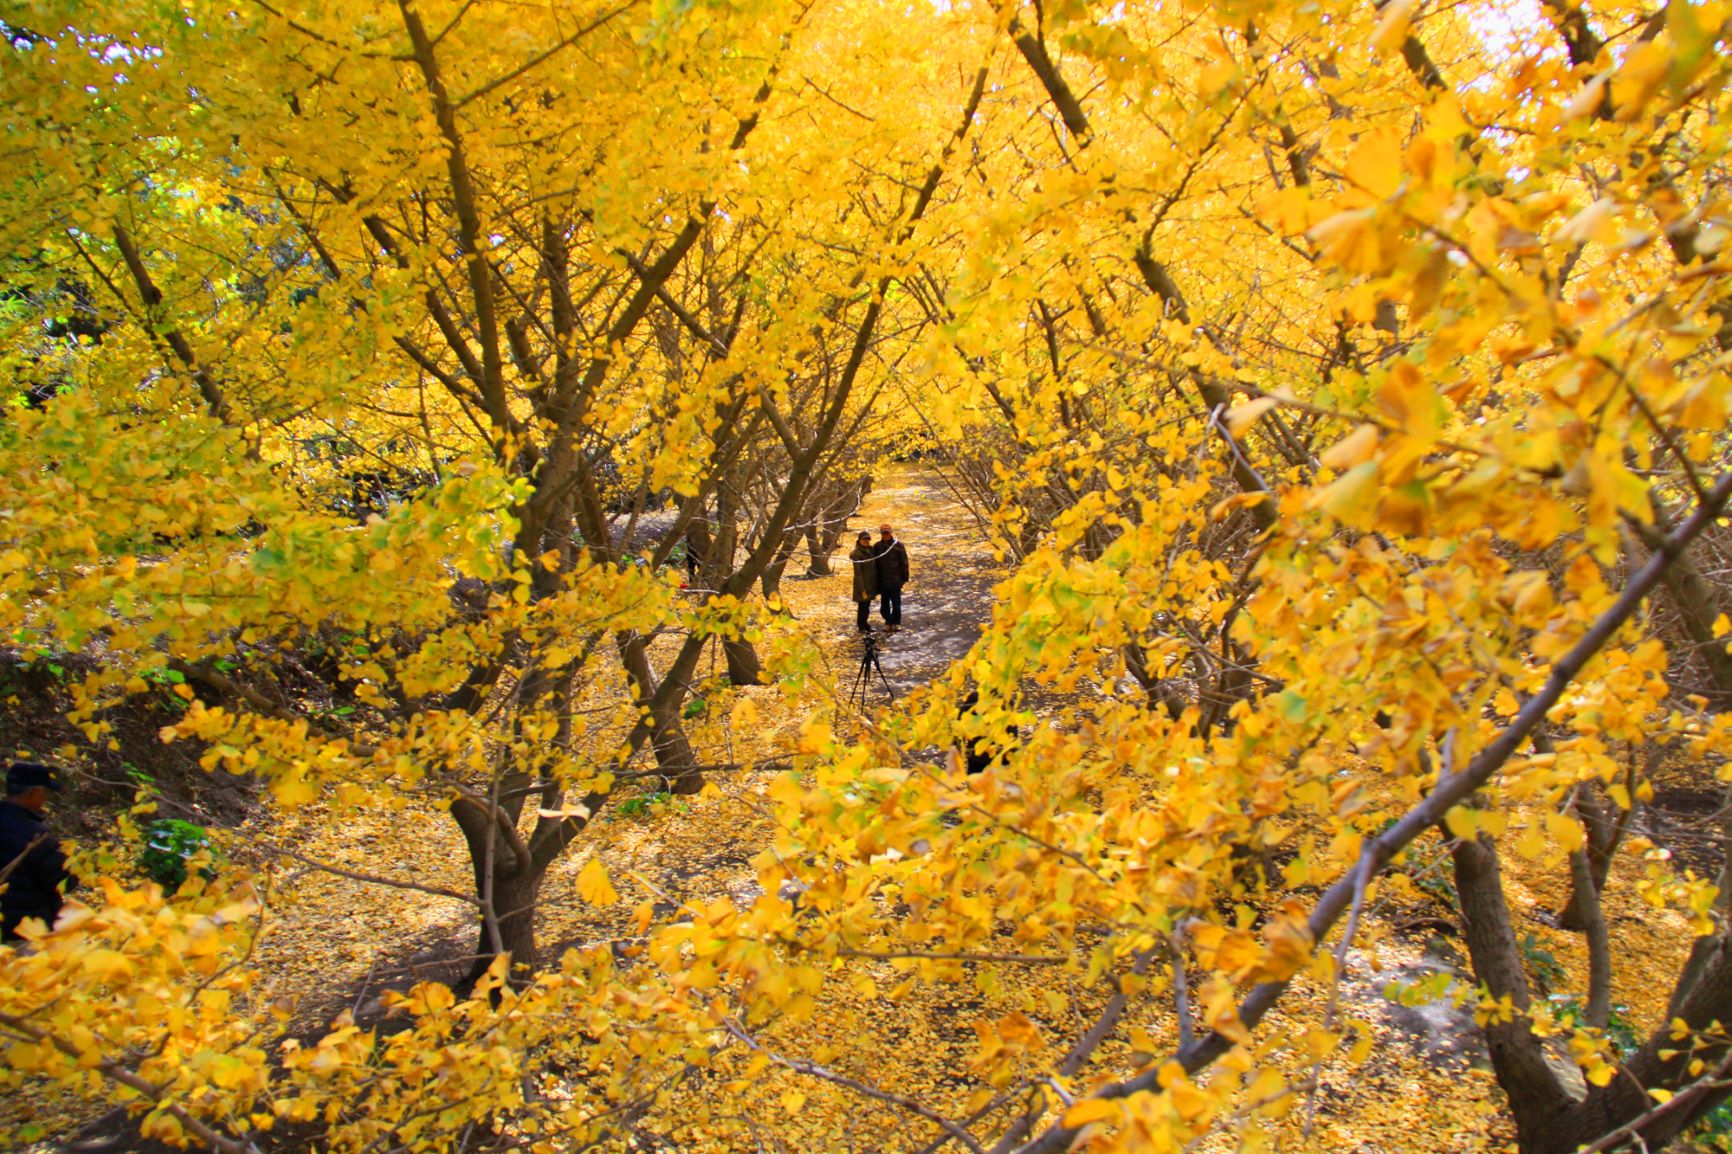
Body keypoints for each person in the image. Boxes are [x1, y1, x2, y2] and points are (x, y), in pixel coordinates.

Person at [1, 761, 76, 941]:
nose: (45, 799)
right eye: (44, 793)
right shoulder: (37, 837)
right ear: (35, 792)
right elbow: (65, 879)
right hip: (26, 933)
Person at [874, 522, 909, 628]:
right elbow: (874, 564)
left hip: (896, 580)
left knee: (896, 605)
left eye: (887, 531)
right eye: (883, 532)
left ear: (891, 532)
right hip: (883, 581)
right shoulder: (877, 546)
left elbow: (904, 562)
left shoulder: (898, 545)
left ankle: (896, 622)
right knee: (884, 606)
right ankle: (888, 621)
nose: (885, 534)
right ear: (881, 533)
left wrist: (904, 578)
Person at [848, 530, 880, 632]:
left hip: (871, 583)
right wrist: (862, 589)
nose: (866, 541)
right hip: (862, 584)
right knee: (862, 606)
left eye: (867, 539)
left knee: (867, 606)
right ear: (859, 540)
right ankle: (861, 626)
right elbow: (858, 574)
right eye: (864, 539)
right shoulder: (857, 554)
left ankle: (865, 624)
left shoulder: (871, 550)